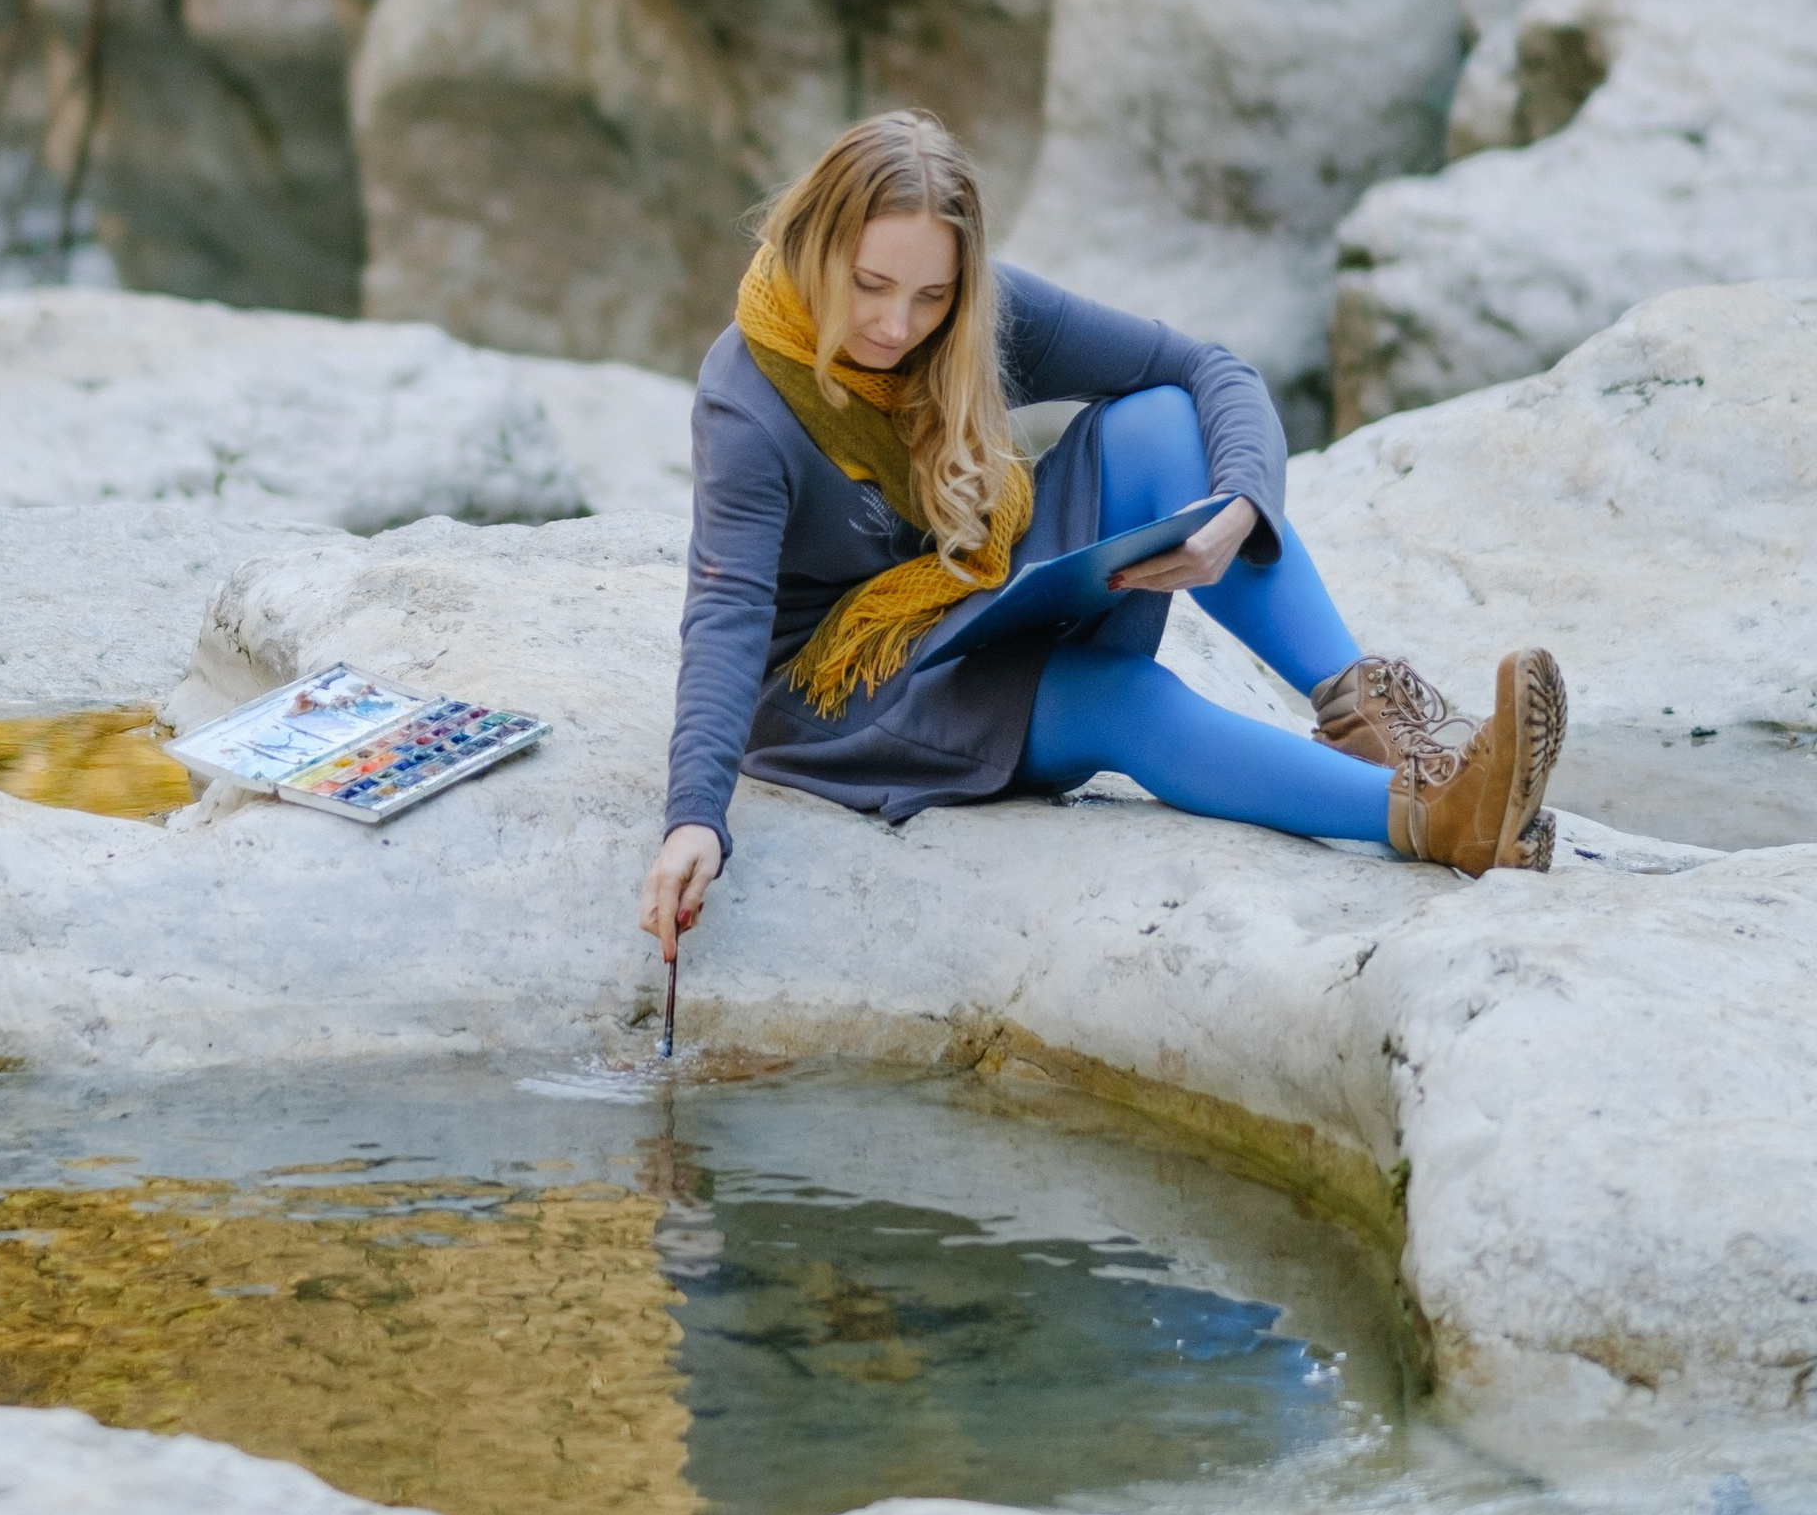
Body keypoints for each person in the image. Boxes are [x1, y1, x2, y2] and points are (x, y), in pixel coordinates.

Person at [640, 109, 1565, 967]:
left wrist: (1242, 507)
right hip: (843, 692)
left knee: (1159, 421)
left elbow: (1207, 369)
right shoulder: (747, 400)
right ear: (815, 243)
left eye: (931, 296)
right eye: (869, 285)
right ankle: (1438, 816)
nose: (896, 324)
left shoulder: (973, 313)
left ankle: (1371, 719)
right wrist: (694, 818)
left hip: (971, 586)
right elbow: (726, 611)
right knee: (1117, 698)